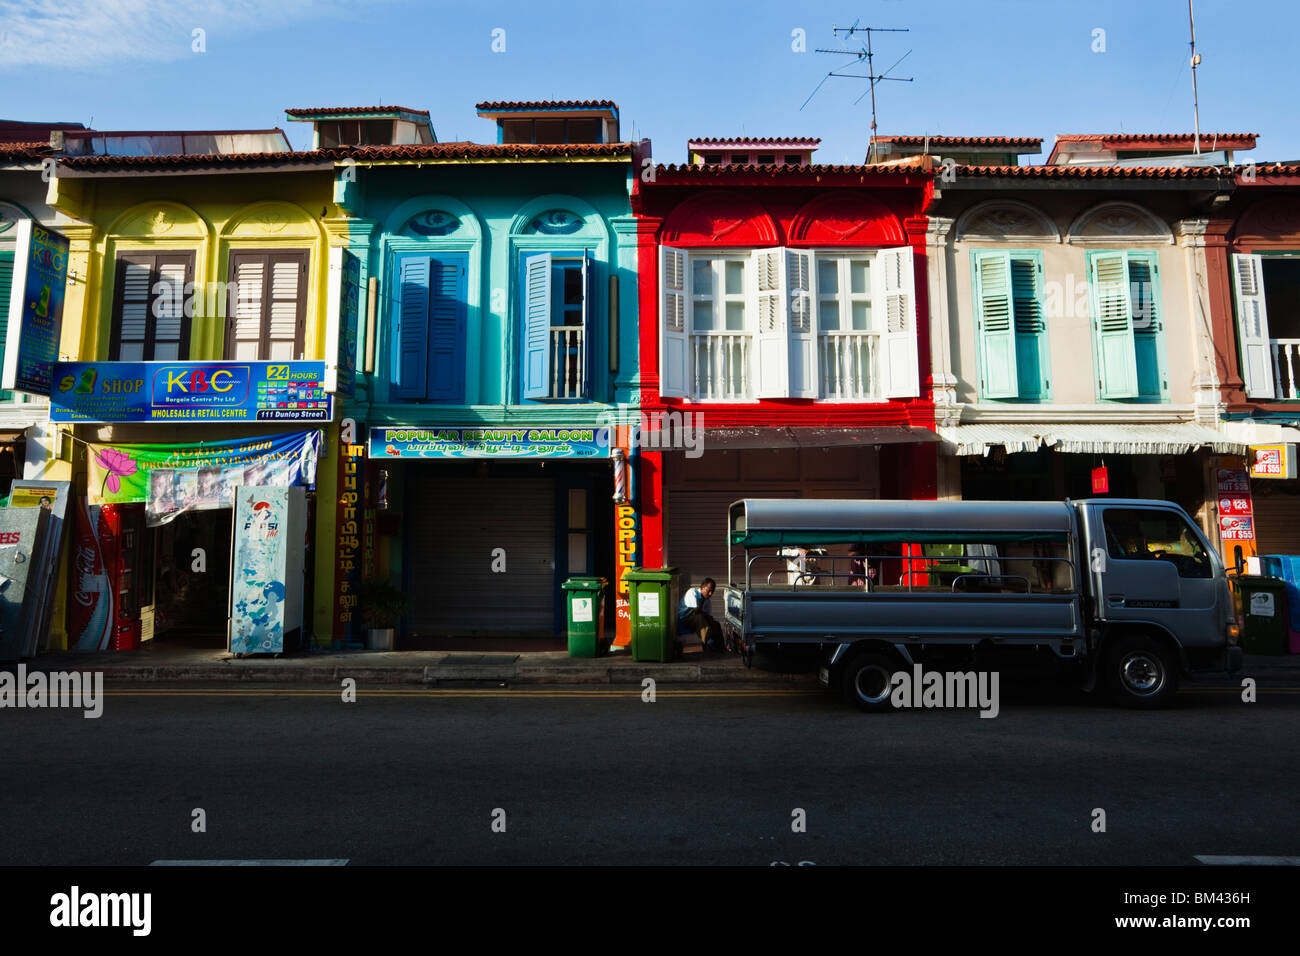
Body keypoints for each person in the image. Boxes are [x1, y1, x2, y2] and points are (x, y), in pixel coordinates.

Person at [678, 577, 723, 652]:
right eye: (708, 591)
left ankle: (720, 647)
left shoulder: (707, 601)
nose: (710, 593)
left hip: (697, 620)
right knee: (700, 616)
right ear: (702, 587)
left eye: (712, 591)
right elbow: (696, 610)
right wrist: (707, 617)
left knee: (716, 624)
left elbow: (708, 615)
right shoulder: (692, 592)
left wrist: (711, 620)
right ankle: (708, 642)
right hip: (684, 619)